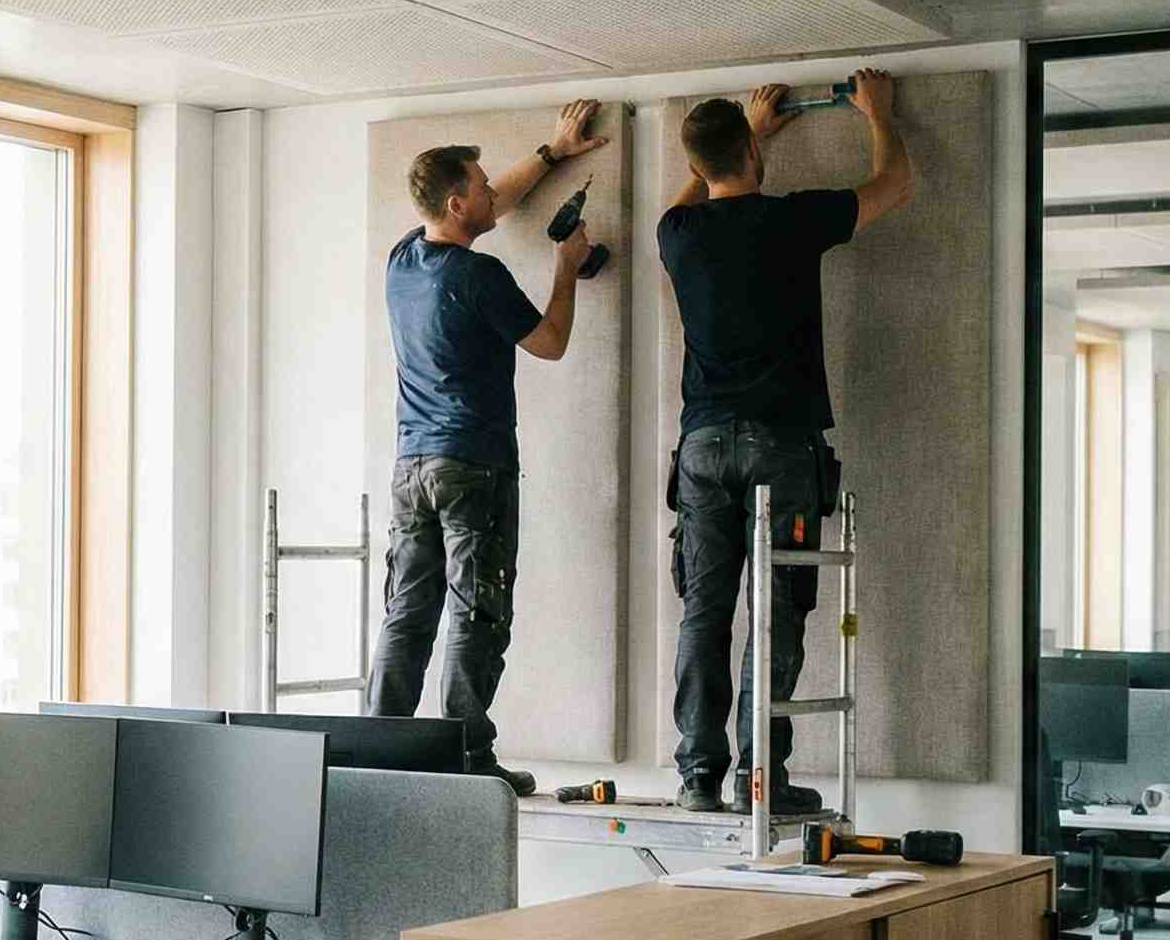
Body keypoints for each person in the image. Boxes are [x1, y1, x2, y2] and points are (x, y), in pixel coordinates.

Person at [660, 70, 914, 814]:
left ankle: (697, 776)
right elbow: (894, 184)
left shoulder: (678, 234)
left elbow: (687, 196)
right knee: (774, 613)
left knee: (704, 611)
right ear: (750, 152)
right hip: (779, 445)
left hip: (701, 446)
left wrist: (743, 138)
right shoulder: (793, 219)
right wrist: (878, 114)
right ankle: (759, 779)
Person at [365, 99, 610, 795]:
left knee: (408, 612)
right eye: (477, 185)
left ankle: (376, 749)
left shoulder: (402, 258)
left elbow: (496, 199)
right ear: (455, 202)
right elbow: (550, 344)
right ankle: (468, 757)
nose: (489, 192)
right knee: (477, 611)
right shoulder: (479, 276)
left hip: (412, 467)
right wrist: (566, 267)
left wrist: (553, 151)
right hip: (473, 465)